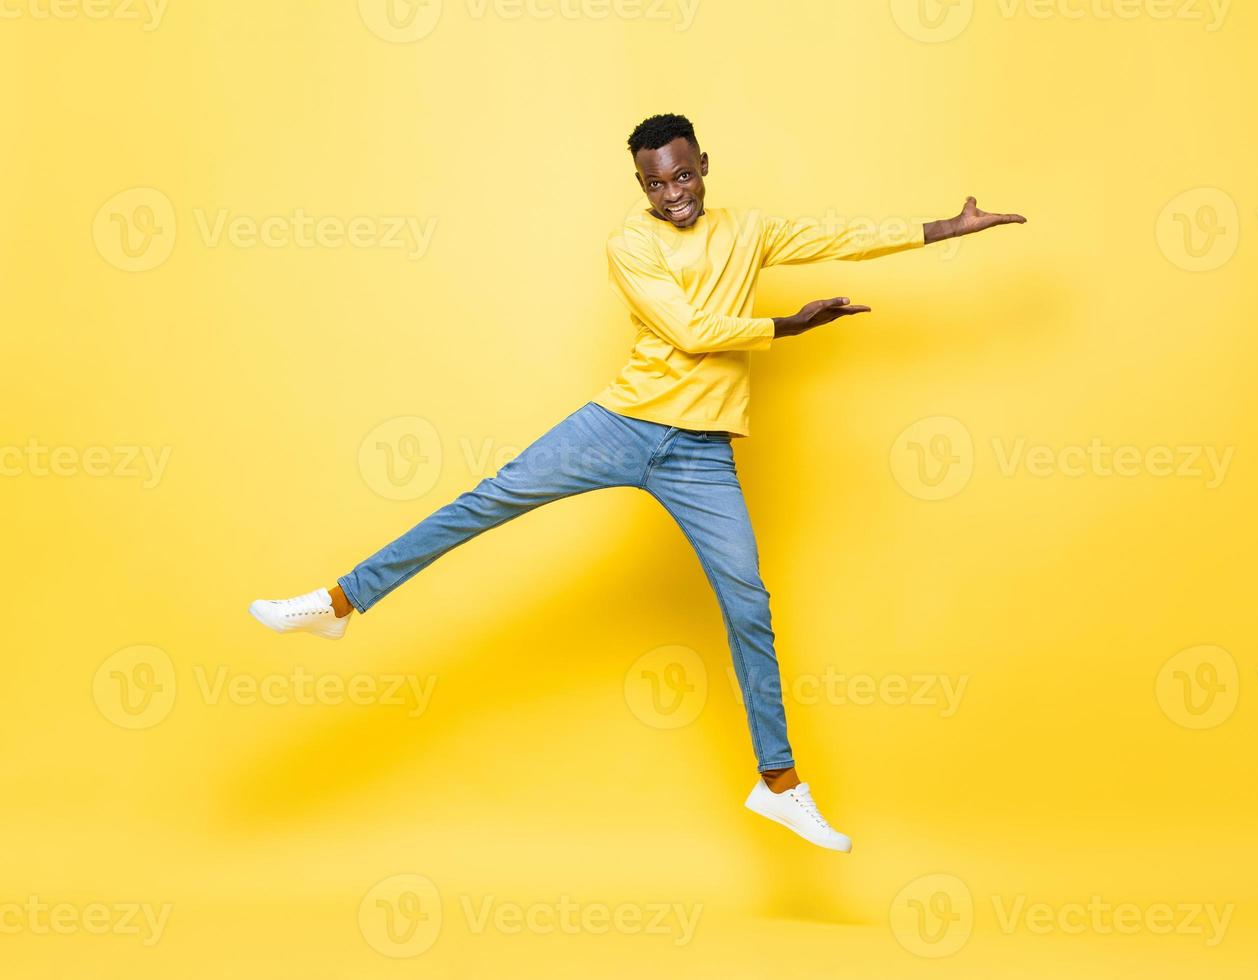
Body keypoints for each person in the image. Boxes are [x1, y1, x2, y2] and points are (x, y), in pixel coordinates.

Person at [249, 113, 1026, 852]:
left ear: (703, 167)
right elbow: (691, 333)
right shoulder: (629, 243)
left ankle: (780, 783)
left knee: (748, 605)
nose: (674, 194)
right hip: (620, 425)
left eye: (684, 177)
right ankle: (339, 602)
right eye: (657, 185)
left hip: (699, 455)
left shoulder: (746, 230)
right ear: (640, 183)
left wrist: (944, 230)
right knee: (484, 502)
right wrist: (787, 327)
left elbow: (840, 237)